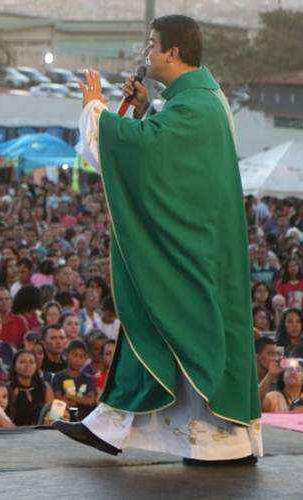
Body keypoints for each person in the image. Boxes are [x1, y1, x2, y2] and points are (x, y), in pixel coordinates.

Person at [56, 15, 262, 465]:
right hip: (192, 241)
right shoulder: (197, 102)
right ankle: (112, 425)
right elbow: (164, 149)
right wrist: (148, 107)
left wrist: (96, 110)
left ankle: (215, 441)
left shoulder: (199, 108)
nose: (146, 52)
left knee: (172, 324)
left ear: (172, 52)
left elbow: (148, 153)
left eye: (152, 44)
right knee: (155, 319)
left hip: (192, 249)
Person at [52, 340, 97, 420]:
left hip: (84, 418)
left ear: (86, 358)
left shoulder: (89, 379)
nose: (78, 359)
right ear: (66, 355)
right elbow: (59, 400)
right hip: (64, 416)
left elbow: (90, 401)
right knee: (56, 408)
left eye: (81, 356)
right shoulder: (58, 377)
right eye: (74, 355)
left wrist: (69, 396)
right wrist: (82, 400)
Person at [7, 350, 53, 426]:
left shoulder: (45, 387)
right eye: (22, 362)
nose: (28, 365)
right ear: (14, 366)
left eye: (32, 362)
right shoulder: (9, 389)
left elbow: (53, 414)